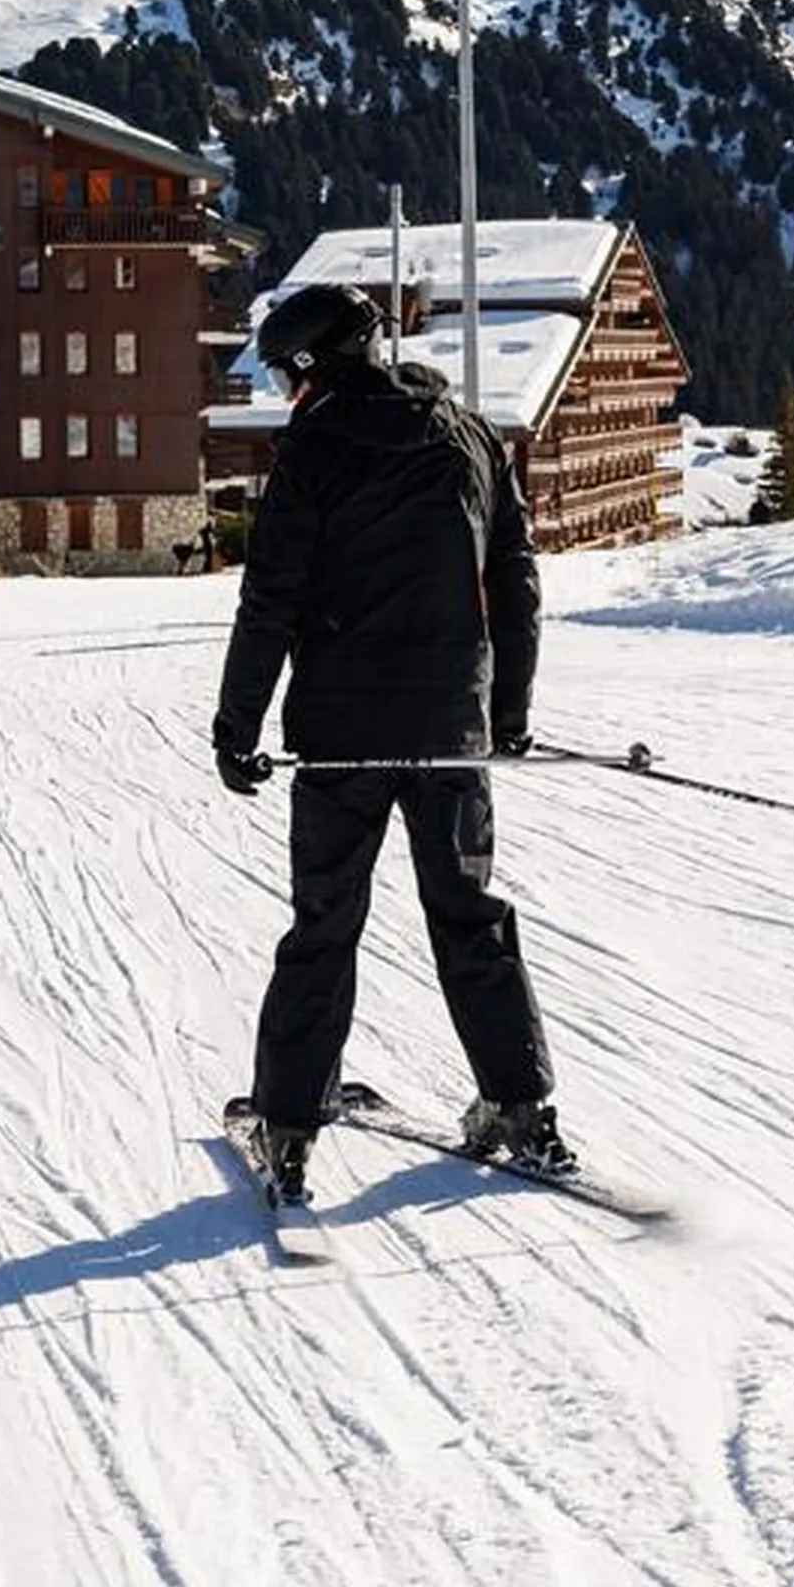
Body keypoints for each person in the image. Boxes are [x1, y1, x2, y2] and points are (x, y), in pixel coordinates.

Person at [208, 283, 570, 1201]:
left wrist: (238, 723)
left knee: (326, 923)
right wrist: (508, 715)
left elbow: (273, 597)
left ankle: (289, 1129)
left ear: (312, 366)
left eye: (288, 375)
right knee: (469, 916)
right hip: (451, 728)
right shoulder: (471, 435)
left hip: (341, 738)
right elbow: (516, 583)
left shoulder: (316, 445)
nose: (288, 394)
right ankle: (521, 1107)